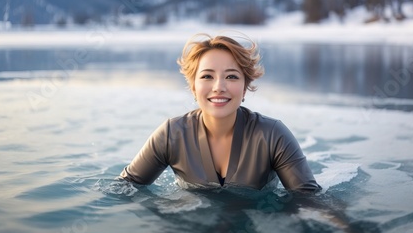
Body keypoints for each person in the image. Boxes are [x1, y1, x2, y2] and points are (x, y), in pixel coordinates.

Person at [120, 33, 321, 192]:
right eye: (207, 76)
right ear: (193, 87)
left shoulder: (272, 135)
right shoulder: (171, 134)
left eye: (232, 76)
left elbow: (309, 199)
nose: (219, 87)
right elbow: (125, 187)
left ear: (244, 88)